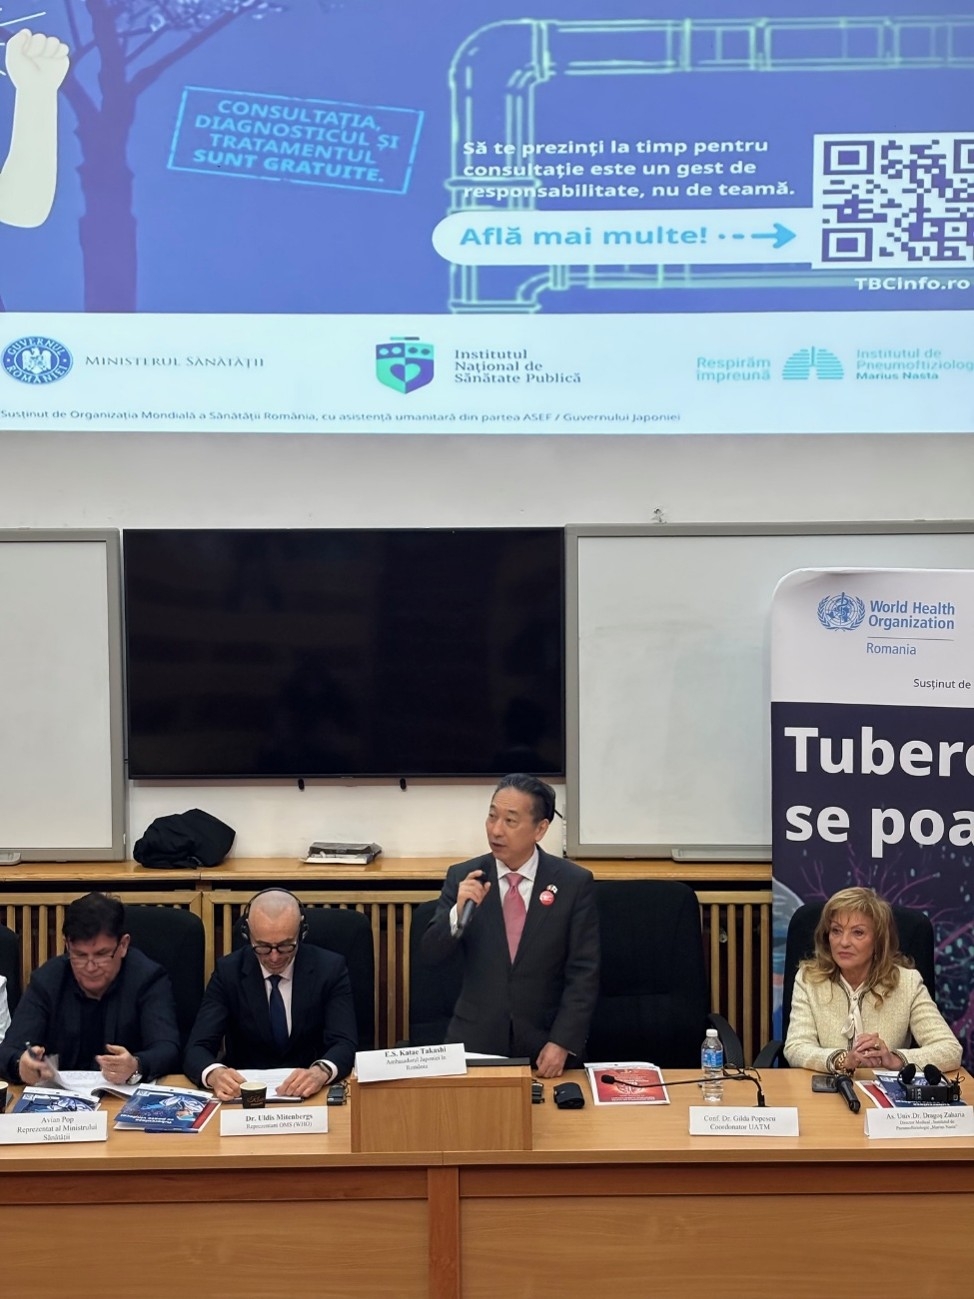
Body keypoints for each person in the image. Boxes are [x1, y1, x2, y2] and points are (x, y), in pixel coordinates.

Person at [421, 773, 600, 1078]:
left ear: (540, 829)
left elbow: (584, 972)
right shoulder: (465, 876)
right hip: (474, 1042)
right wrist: (457, 912)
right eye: (492, 816)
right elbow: (430, 955)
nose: (496, 830)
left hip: (545, 1046)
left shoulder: (573, 883)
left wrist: (562, 1042)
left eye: (510, 821)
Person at [183, 888, 357, 1100]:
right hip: (245, 1095)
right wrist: (214, 1074)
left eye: (285, 946)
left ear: (301, 932)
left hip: (312, 1094)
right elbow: (197, 1048)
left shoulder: (329, 969)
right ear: (248, 934)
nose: (274, 957)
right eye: (263, 947)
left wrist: (320, 1072)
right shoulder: (229, 972)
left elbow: (344, 1042)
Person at [0, 892, 180, 1084]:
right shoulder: (48, 980)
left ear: (123, 945)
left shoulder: (148, 978)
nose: (90, 967)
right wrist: (20, 1065)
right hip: (62, 1100)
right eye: (80, 955)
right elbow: (8, 1050)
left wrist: (137, 1065)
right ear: (67, 945)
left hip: (125, 1095)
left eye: (101, 954)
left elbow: (167, 1048)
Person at [784, 886, 961, 1074]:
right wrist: (842, 1060)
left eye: (858, 932)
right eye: (836, 930)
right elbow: (796, 1047)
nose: (844, 942)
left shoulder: (907, 983)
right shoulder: (809, 979)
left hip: (885, 1091)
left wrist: (895, 1060)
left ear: (878, 941)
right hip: (823, 1088)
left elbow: (950, 1050)